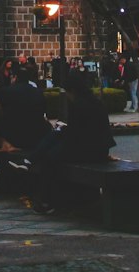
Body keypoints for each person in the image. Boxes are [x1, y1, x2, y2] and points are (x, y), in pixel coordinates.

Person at [29, 72, 115, 214]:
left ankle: (47, 199)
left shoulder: (78, 105)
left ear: (72, 91)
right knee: (54, 150)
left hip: (87, 149)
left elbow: (74, 135)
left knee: (51, 158)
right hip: (99, 149)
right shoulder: (96, 102)